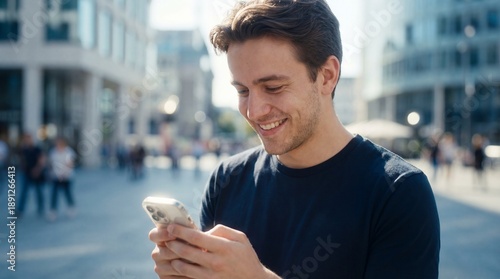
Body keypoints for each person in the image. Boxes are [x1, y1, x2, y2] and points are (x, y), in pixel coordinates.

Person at [148, 1, 440, 278]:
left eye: (273, 87)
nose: (254, 111)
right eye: (242, 91)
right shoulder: (227, 180)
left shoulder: (398, 193)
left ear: (327, 76)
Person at [17, 133, 46, 218]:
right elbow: (21, 160)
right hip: (26, 173)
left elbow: (42, 160)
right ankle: (20, 210)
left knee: (39, 192)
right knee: (24, 192)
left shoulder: (37, 149)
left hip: (36, 173)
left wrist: (37, 169)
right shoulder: (23, 150)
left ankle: (40, 209)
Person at [48, 137, 76, 221]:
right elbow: (51, 163)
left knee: (67, 193)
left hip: (66, 176)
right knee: (54, 194)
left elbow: (70, 163)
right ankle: (53, 211)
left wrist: (64, 172)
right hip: (56, 176)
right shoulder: (53, 152)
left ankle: (71, 208)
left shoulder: (68, 151)